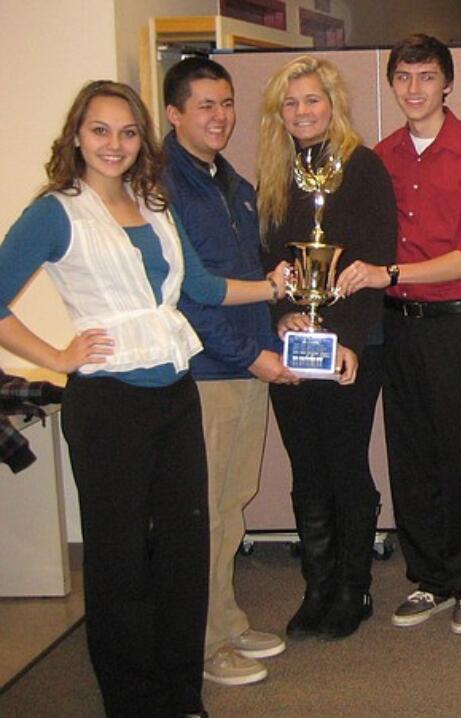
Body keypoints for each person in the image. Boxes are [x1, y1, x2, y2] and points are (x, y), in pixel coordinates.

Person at [0, 79, 287, 718]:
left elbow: (205, 288)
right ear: (77, 135)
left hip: (175, 392)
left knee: (184, 554)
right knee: (120, 560)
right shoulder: (57, 212)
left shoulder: (154, 201)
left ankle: (180, 693)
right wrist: (55, 357)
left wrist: (272, 288)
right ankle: (133, 702)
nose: (115, 144)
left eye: (128, 132)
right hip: (109, 406)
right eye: (101, 130)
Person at [336, 34, 461, 635]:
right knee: (408, 456)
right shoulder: (377, 157)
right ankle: (428, 578)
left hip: (455, 327)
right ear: (392, 85)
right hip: (394, 329)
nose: (414, 89)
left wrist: (389, 273)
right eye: (403, 78)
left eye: (426, 77)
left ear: (447, 83)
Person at [162, 56, 296, 687]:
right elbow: (189, 296)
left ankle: (226, 616)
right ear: (174, 114)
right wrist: (250, 354)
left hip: (245, 367)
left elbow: (256, 281)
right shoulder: (164, 188)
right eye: (205, 106)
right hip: (207, 373)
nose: (220, 116)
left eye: (226, 103)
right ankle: (204, 642)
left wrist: (275, 337)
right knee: (204, 514)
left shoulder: (231, 183)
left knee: (232, 504)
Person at [257, 55, 397, 641]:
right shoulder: (272, 169)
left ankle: (352, 586)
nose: (302, 112)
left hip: (350, 346)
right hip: (293, 340)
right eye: (290, 103)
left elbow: (373, 257)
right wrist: (281, 312)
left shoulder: (362, 166)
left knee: (344, 462)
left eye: (312, 100)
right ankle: (317, 585)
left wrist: (354, 343)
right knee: (305, 464)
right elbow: (263, 258)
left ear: (332, 104)